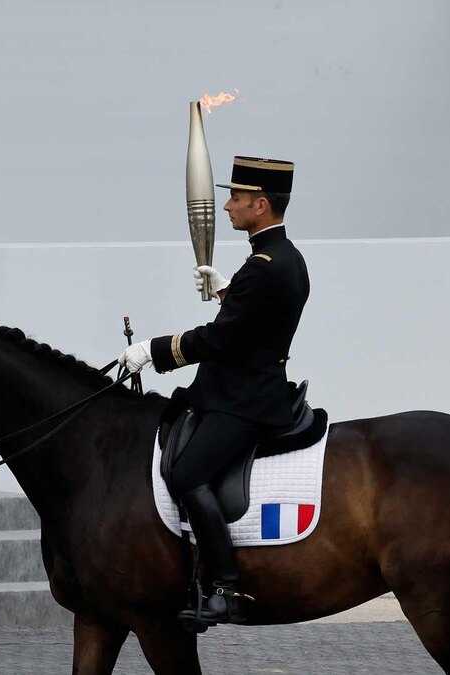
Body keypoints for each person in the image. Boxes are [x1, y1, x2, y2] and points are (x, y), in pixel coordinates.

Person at [119, 156, 310, 627]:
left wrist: (154, 350)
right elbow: (257, 324)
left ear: (261, 205)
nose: (226, 206)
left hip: (243, 399)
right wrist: (229, 293)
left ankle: (225, 587)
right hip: (243, 386)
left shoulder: (263, 267)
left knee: (186, 477)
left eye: (237, 199)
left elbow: (223, 339)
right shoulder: (281, 258)